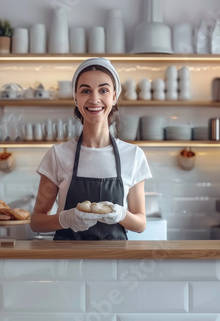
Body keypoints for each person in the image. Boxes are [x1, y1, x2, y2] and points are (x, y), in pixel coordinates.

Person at [30, 57, 152, 240]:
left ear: (114, 96)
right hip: (68, 263)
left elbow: (141, 224)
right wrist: (66, 219)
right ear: (76, 98)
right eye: (85, 91)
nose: (94, 99)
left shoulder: (133, 155)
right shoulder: (57, 155)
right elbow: (36, 222)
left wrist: (121, 215)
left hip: (114, 262)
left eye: (103, 90)